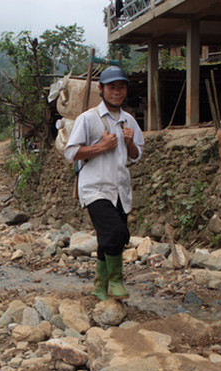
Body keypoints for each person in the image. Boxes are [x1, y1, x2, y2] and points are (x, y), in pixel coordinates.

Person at [64, 66, 144, 300]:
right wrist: (101, 146)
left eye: (121, 87)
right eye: (111, 87)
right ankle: (116, 281)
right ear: (101, 90)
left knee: (107, 238)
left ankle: (100, 287)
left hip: (119, 188)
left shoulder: (129, 120)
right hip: (95, 187)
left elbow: (136, 155)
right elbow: (71, 153)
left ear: (125, 90)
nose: (116, 92)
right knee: (117, 233)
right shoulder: (88, 119)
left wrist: (129, 142)